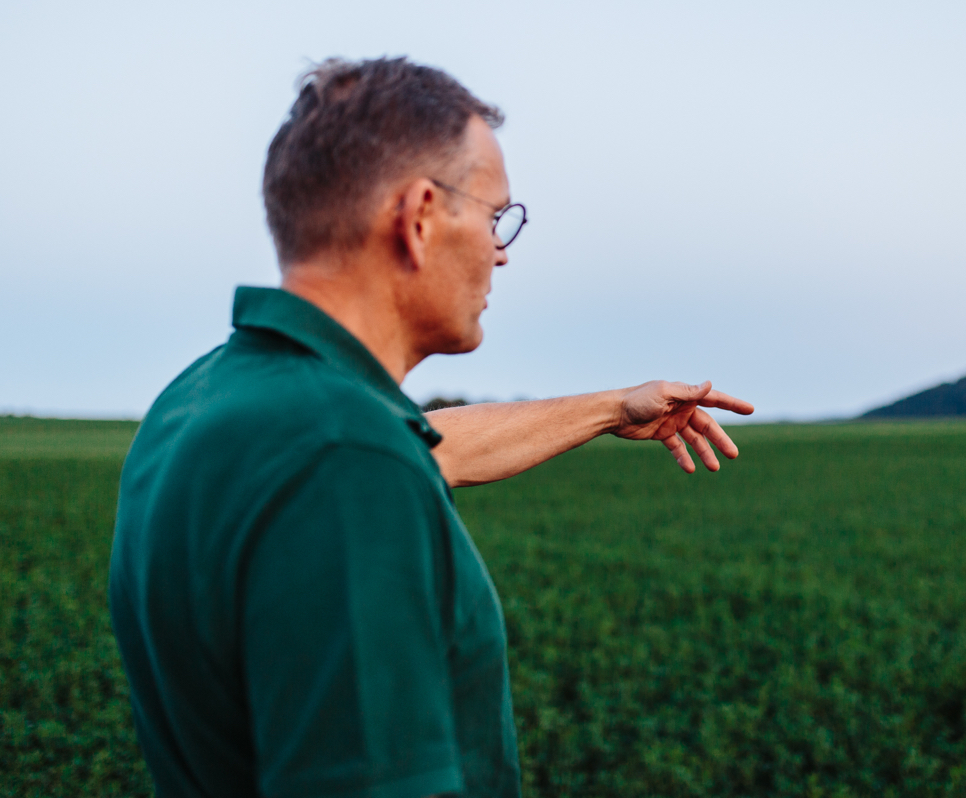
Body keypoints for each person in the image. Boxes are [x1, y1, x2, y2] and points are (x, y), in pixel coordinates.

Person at [109, 56, 753, 798]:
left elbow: (422, 445)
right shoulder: (343, 461)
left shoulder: (210, 397)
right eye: (492, 216)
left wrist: (611, 408)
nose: (501, 251)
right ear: (418, 218)